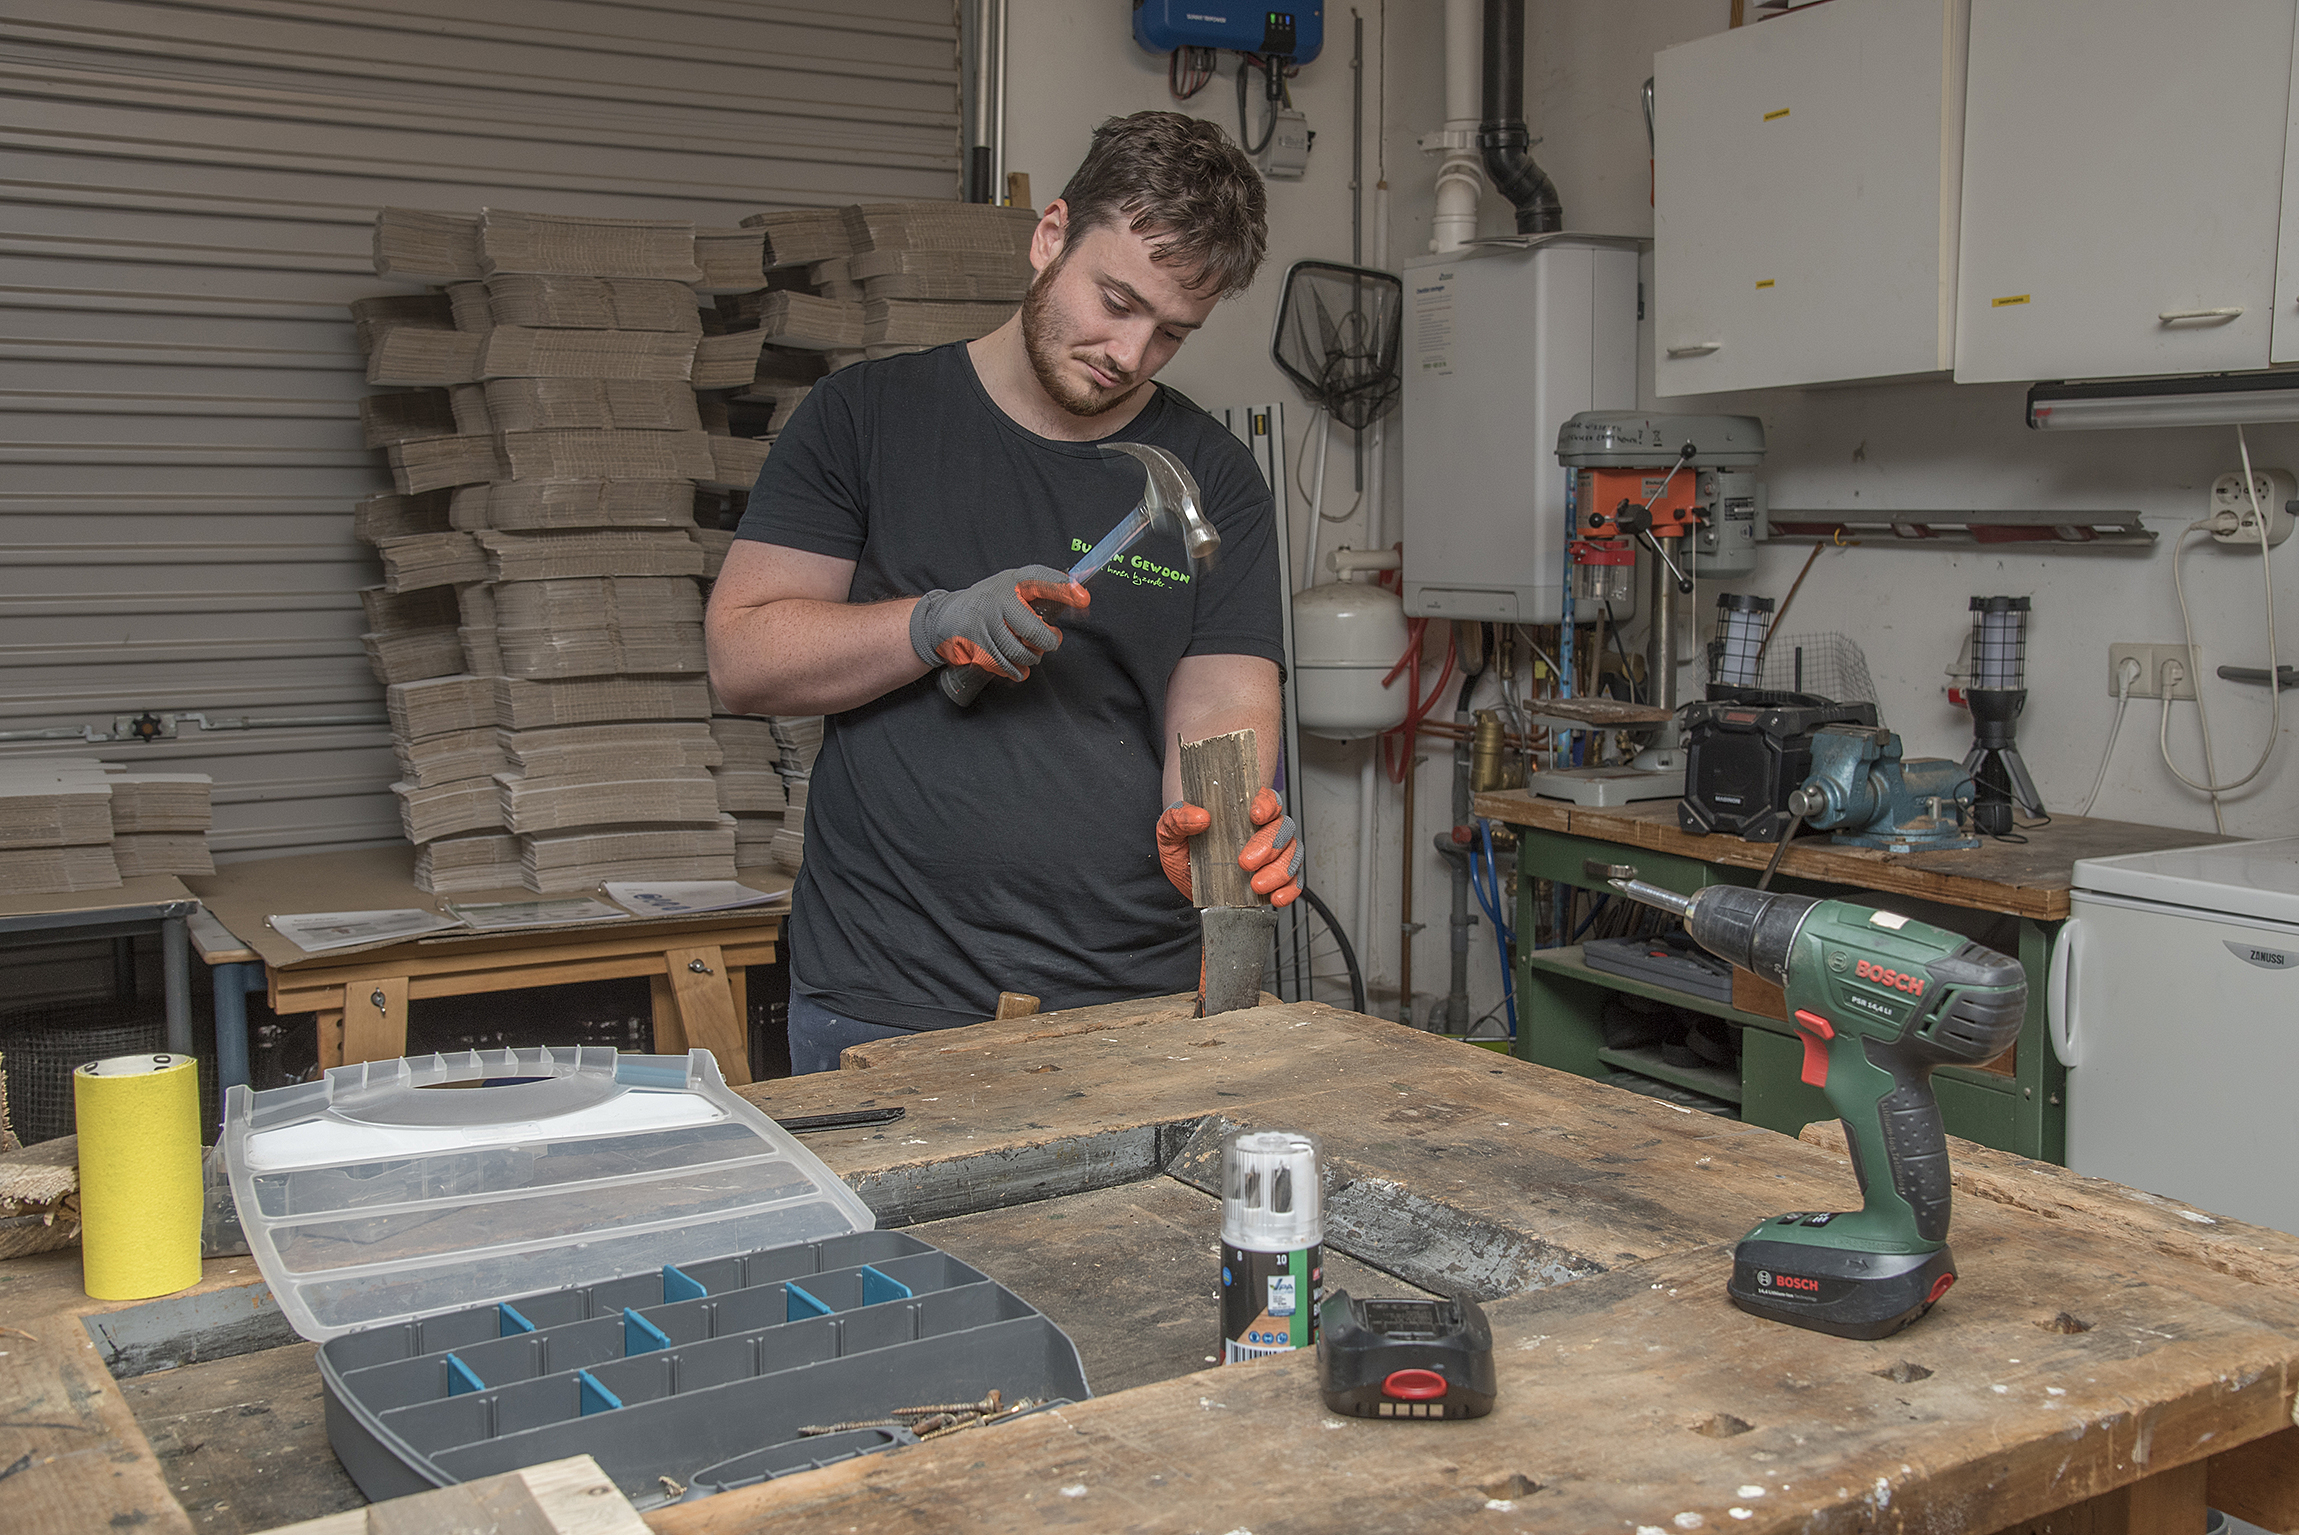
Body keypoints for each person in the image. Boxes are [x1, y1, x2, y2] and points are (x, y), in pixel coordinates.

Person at [706, 111, 1306, 1074]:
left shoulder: (1217, 473)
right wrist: (930, 624)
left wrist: (1220, 834)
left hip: (1130, 999)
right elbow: (743, 656)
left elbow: (1221, 703)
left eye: (1170, 333)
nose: (1128, 352)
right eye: (1115, 300)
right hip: (885, 997)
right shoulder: (865, 419)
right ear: (1050, 235)